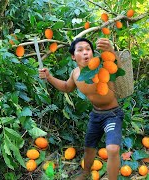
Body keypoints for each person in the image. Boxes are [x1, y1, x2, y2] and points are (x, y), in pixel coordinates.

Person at [39, 38, 123, 180]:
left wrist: (110, 51)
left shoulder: (102, 66)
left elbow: (118, 70)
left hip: (112, 114)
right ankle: (85, 173)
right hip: (96, 115)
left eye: (88, 49)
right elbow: (66, 87)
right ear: (73, 56)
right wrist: (49, 77)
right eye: (80, 50)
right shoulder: (76, 74)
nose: (85, 53)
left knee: (112, 149)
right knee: (89, 148)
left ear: (93, 52)